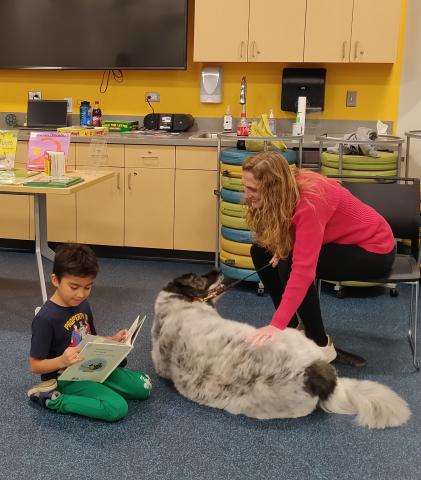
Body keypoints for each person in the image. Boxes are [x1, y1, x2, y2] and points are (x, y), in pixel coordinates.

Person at [242, 151, 395, 362]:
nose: (246, 195)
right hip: (340, 240)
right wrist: (283, 243)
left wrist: (274, 324)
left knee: (290, 266)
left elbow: (303, 273)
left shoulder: (310, 203)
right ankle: (292, 330)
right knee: (260, 252)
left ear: (273, 188)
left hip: (374, 249)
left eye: (252, 189)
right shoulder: (288, 185)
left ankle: (321, 345)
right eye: (245, 186)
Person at [27, 243, 152, 421]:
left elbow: (90, 340)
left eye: (88, 287)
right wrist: (62, 360)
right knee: (116, 408)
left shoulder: (82, 305)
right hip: (66, 377)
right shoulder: (45, 319)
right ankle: (52, 399)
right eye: (74, 287)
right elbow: (35, 365)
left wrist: (113, 340)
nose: (81, 294)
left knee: (144, 386)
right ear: (55, 280)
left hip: (92, 366)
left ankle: (99, 387)